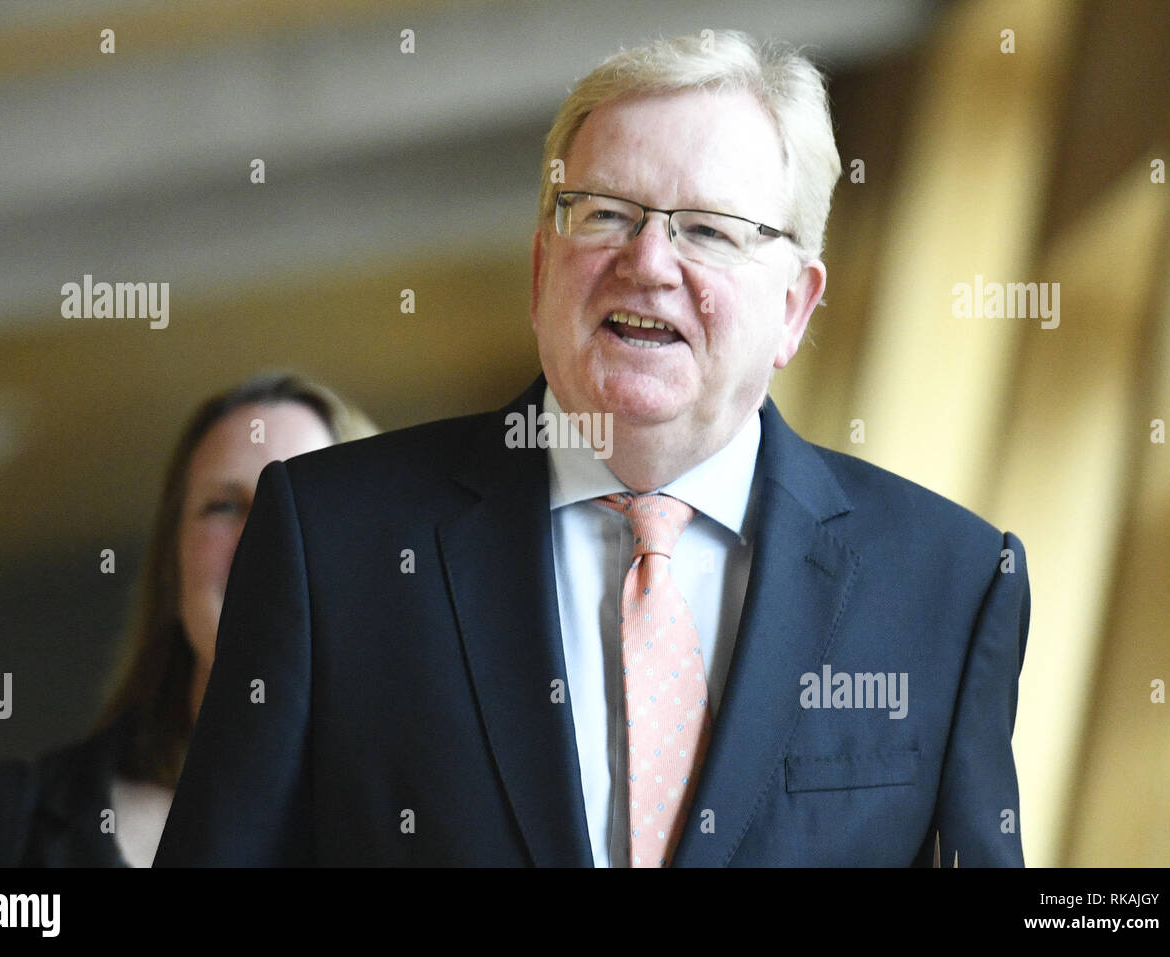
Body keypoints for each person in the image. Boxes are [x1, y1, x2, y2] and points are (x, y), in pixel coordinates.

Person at [156, 31, 1031, 868]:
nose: (648, 261)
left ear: (795, 306)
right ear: (541, 272)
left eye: (710, 229)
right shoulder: (333, 540)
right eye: (606, 213)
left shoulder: (947, 585)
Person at [0, 372, 370, 866]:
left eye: (298, 505)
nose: (262, 537)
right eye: (225, 506)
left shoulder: (436, 830)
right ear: (171, 565)